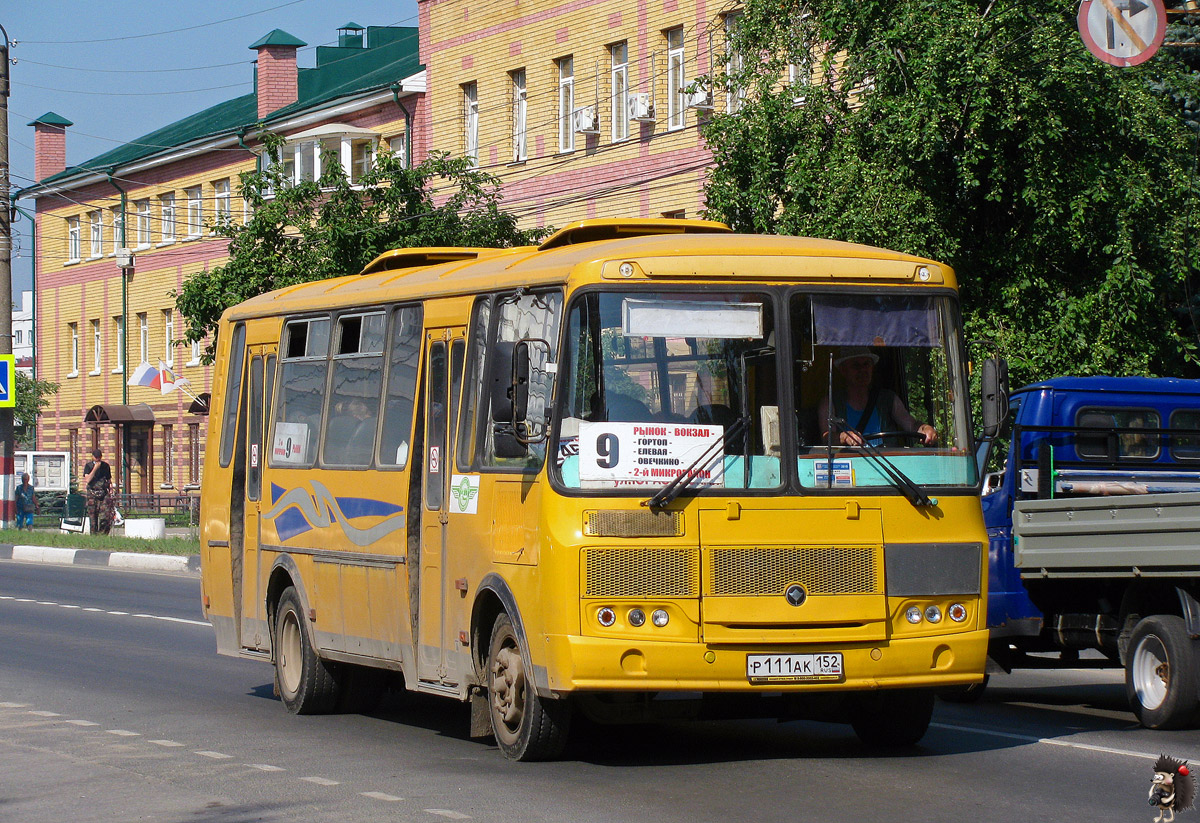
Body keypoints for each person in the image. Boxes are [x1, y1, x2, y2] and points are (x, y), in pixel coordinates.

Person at [818, 346, 937, 447]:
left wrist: (925, 428)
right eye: (856, 366)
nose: (862, 370)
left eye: (866, 364)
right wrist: (844, 437)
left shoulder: (888, 399)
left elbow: (911, 425)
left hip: (888, 467)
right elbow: (826, 438)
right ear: (843, 370)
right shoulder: (829, 402)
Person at [82, 448, 116, 535]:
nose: (97, 459)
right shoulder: (88, 466)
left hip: (103, 493)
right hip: (92, 494)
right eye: (96, 457)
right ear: (92, 457)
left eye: (99, 457)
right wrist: (95, 468)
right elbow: (88, 480)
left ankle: (102, 534)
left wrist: (111, 489)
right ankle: (94, 535)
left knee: (105, 515)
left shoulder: (105, 466)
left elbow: (108, 480)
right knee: (93, 517)